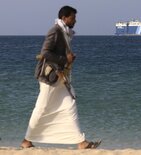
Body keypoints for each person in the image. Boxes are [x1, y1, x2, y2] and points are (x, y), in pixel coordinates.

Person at [20, 5, 101, 149]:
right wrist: (65, 59)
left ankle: (81, 142)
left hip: (59, 77)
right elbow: (45, 53)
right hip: (50, 77)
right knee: (42, 107)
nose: (75, 21)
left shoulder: (64, 32)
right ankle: (26, 140)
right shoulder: (55, 31)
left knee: (69, 105)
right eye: (73, 18)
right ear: (64, 18)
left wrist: (68, 58)